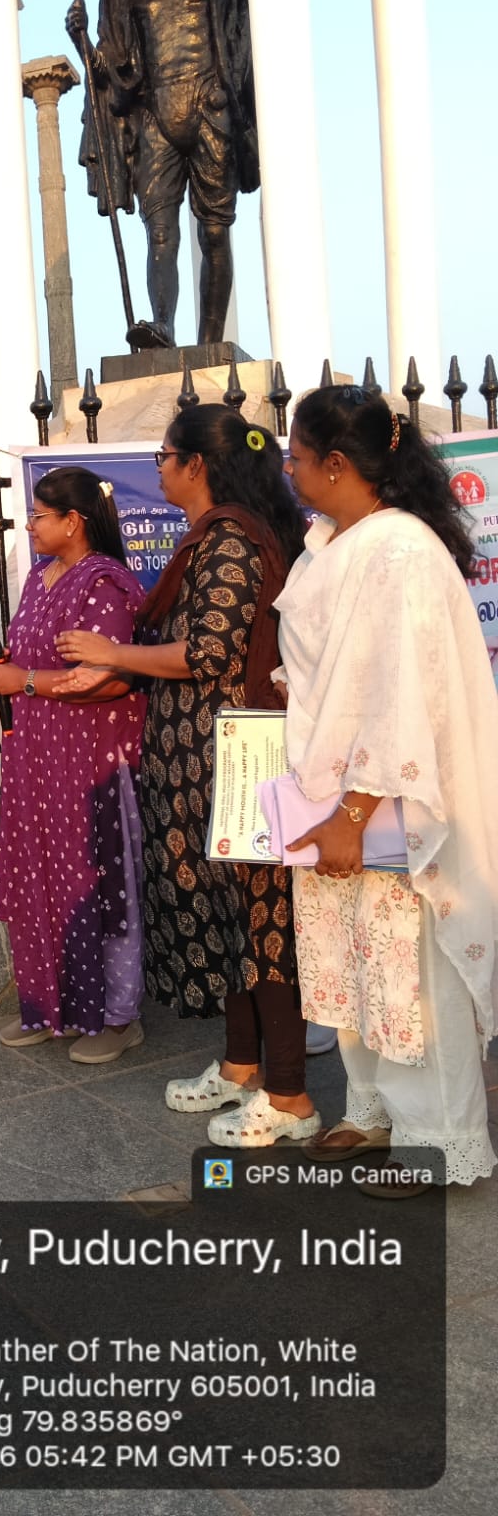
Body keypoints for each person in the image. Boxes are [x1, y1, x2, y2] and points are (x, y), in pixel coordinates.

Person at [59, 407, 316, 1145]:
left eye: (165, 457)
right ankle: (240, 1067)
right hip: (198, 761)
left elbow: (208, 652)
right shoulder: (209, 535)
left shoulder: (231, 539)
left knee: (261, 922)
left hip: (235, 762)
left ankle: (290, 1095)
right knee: (230, 922)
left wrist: (112, 654)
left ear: (197, 464)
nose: (160, 470)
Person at [276, 385, 498, 1195]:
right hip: (328, 795)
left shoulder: (398, 550)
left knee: (412, 972)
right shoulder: (331, 544)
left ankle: (439, 1137)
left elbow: (402, 695)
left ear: (337, 464)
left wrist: (354, 810)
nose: (289, 470)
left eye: (298, 457)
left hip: (387, 803)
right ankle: (373, 1109)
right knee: (357, 963)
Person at [0, 469, 147, 1063]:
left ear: (73, 521)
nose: (30, 525)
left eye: (39, 515)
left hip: (87, 760)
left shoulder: (104, 583)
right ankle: (49, 1007)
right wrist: (8, 667)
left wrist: (23, 680)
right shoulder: (37, 577)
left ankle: (116, 1017)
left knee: (94, 880)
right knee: (40, 876)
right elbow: (38, 663)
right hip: (37, 756)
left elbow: (109, 679)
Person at [66, 0, 257, 346]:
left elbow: (245, 40)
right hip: (156, 117)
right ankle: (163, 324)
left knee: (214, 231)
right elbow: (111, 72)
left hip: (212, 109)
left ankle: (211, 341)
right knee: (160, 232)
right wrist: (81, 40)